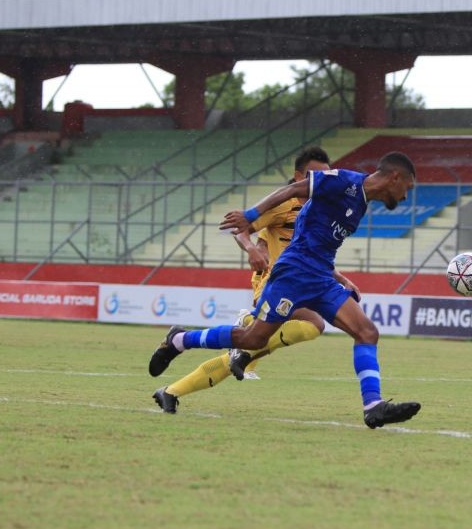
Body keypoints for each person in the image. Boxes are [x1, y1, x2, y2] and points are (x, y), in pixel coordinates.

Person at [148, 151, 422, 428]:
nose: (404, 197)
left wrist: (339, 279)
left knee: (366, 331)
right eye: (407, 189)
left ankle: (373, 407)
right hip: (291, 275)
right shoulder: (344, 181)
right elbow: (292, 189)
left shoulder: (360, 204)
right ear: (395, 177)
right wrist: (251, 215)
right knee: (253, 339)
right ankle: (180, 340)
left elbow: (318, 240)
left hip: (320, 278)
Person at [151, 147, 335, 414]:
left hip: (301, 284)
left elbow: (311, 253)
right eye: (314, 175)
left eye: (326, 176)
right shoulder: (284, 204)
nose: (320, 181)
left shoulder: (322, 209)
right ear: (298, 176)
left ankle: (171, 390)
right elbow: (242, 229)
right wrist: (251, 248)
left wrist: (338, 277)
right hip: (274, 284)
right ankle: (243, 332)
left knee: (245, 352)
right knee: (314, 323)